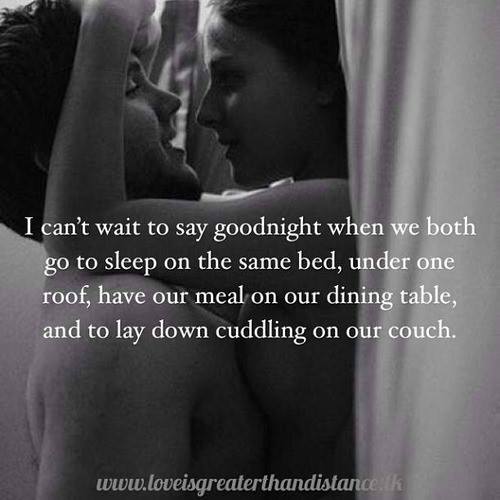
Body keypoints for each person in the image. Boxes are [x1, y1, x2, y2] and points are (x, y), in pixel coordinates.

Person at [1, 0, 356, 497]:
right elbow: (89, 226)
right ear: (63, 149)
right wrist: (107, 17)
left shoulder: (324, 219)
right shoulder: (120, 318)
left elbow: (88, 227)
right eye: (130, 85)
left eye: (230, 79)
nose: (178, 104)